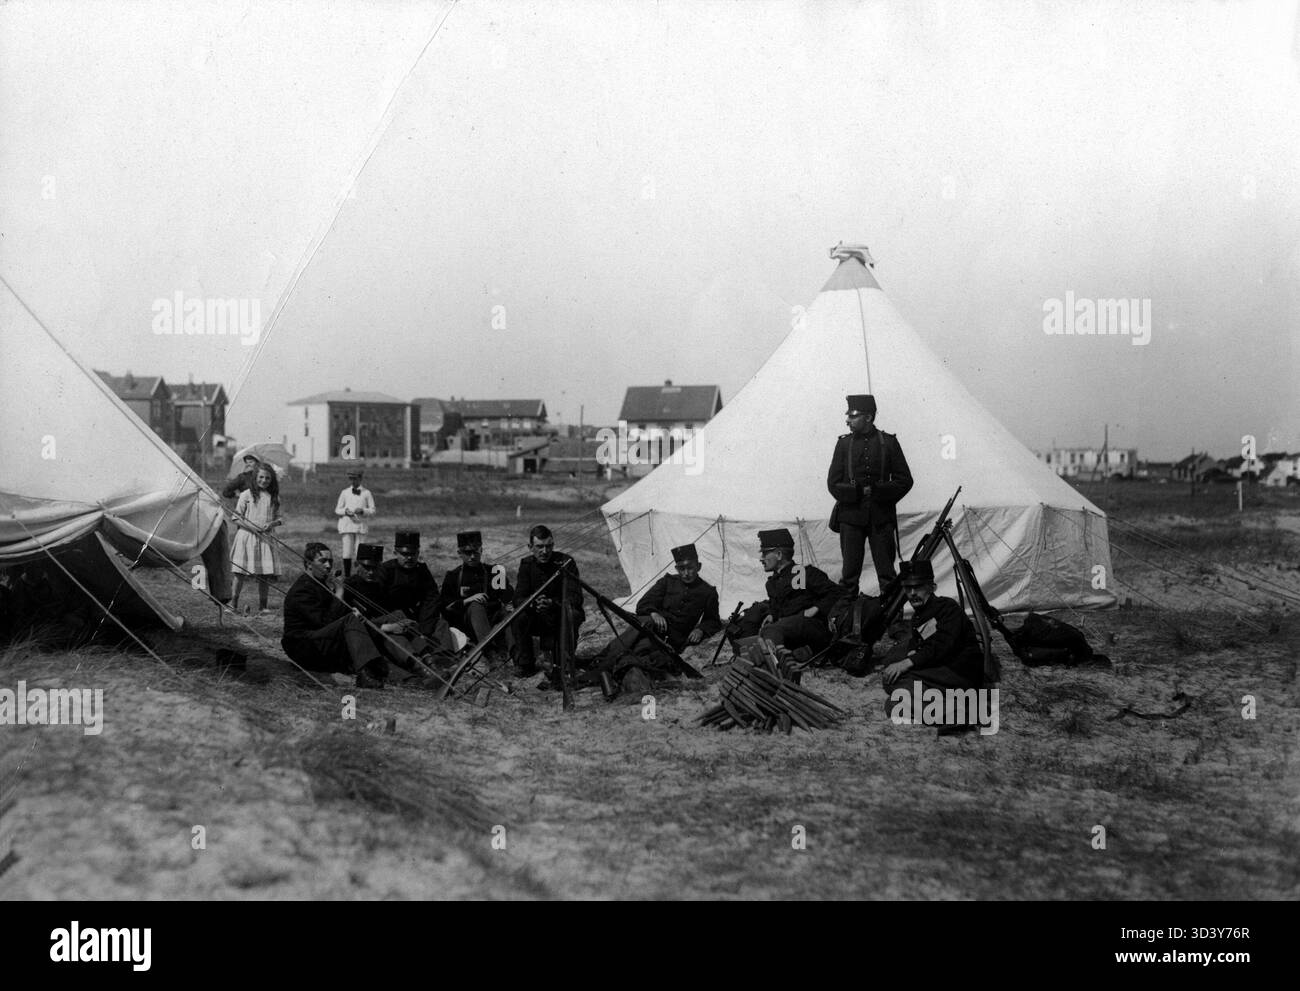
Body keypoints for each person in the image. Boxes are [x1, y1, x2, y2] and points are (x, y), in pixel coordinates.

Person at [580, 542, 721, 694]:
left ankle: (597, 665)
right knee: (643, 625)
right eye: (681, 568)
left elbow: (713, 620)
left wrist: (700, 629)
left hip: (673, 640)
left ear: (698, 566)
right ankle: (599, 665)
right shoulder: (667, 582)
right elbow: (643, 604)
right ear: (676, 569)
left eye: (690, 568)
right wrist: (654, 613)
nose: (686, 573)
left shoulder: (708, 592)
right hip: (651, 629)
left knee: (634, 651)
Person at [880, 559, 985, 733]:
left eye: (918, 587)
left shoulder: (947, 608)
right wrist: (912, 652)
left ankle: (960, 713)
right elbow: (920, 642)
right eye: (908, 588)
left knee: (894, 702)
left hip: (959, 670)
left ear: (932, 587)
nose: (912, 593)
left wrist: (907, 662)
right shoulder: (919, 615)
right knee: (890, 668)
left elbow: (942, 646)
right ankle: (936, 697)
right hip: (940, 666)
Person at [826, 393, 913, 595]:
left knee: (887, 575)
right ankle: (846, 622)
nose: (847, 420)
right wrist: (855, 492)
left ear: (868, 417)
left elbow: (905, 480)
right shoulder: (843, 444)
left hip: (881, 517)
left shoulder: (889, 443)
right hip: (850, 517)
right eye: (848, 415)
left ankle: (894, 623)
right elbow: (833, 483)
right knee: (849, 576)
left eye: (853, 415)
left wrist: (880, 493)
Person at [281, 542, 389, 688]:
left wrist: (352, 612)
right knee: (350, 620)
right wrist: (339, 592)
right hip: (302, 646)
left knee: (360, 619)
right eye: (322, 561)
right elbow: (325, 622)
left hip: (317, 640)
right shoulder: (302, 590)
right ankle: (367, 672)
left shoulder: (319, 583)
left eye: (330, 561)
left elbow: (332, 614)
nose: (328, 566)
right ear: (308, 564)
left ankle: (384, 665)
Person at [344, 543, 450, 675]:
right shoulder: (347, 587)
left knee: (401, 620)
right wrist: (389, 626)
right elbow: (350, 623)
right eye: (366, 567)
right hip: (364, 637)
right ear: (356, 565)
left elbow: (431, 597)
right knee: (395, 628)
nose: (371, 572)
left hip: (382, 629)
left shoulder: (378, 585)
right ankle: (420, 666)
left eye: (375, 567)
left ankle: (429, 661)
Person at [512, 524, 583, 683]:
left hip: (559, 615)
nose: (544, 552)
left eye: (548, 546)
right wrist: (532, 603)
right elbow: (517, 598)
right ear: (530, 547)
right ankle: (525, 664)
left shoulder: (566, 562)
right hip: (536, 617)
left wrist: (553, 603)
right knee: (518, 616)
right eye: (539, 547)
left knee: (574, 614)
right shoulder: (526, 564)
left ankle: (563, 664)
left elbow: (576, 598)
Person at [754, 528, 842, 654]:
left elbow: (837, 593)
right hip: (789, 630)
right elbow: (783, 607)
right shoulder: (772, 583)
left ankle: (779, 661)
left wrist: (816, 608)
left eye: (764, 554)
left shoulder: (805, 573)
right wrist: (772, 614)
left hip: (812, 629)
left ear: (779, 555)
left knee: (772, 631)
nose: (761, 559)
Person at [438, 531, 515, 663]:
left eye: (476, 552)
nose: (472, 556)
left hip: (494, 619)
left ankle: (516, 653)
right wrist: (469, 600)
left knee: (511, 613)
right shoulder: (453, 576)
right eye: (468, 553)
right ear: (459, 553)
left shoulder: (495, 572)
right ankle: (490, 653)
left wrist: (509, 603)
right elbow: (446, 608)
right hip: (468, 623)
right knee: (476, 606)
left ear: (481, 550)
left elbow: (508, 597)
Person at [375, 529, 451, 647]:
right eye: (404, 554)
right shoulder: (386, 570)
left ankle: (444, 658)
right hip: (393, 617)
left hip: (418, 616)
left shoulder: (421, 570)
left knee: (441, 624)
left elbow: (432, 598)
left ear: (418, 553)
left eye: (413, 554)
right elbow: (378, 600)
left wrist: (424, 628)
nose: (409, 558)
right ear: (396, 553)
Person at [229, 464, 282, 614]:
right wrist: (252, 528)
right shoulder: (246, 495)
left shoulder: (274, 496)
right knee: (239, 572)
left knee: (265, 574)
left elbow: (280, 518)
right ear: (255, 478)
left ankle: (263, 606)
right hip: (246, 538)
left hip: (266, 538)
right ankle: (233, 605)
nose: (264, 480)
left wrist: (272, 523)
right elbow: (236, 517)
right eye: (261, 477)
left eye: (267, 478)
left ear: (272, 480)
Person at [334, 467, 375, 577]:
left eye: (355, 479)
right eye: (350, 479)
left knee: (360, 552)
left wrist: (363, 511)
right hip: (347, 525)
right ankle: (347, 576)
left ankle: (359, 575)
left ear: (360, 479)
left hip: (360, 526)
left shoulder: (366, 493)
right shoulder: (345, 492)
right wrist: (345, 511)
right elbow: (337, 509)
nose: (353, 481)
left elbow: (372, 510)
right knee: (347, 551)